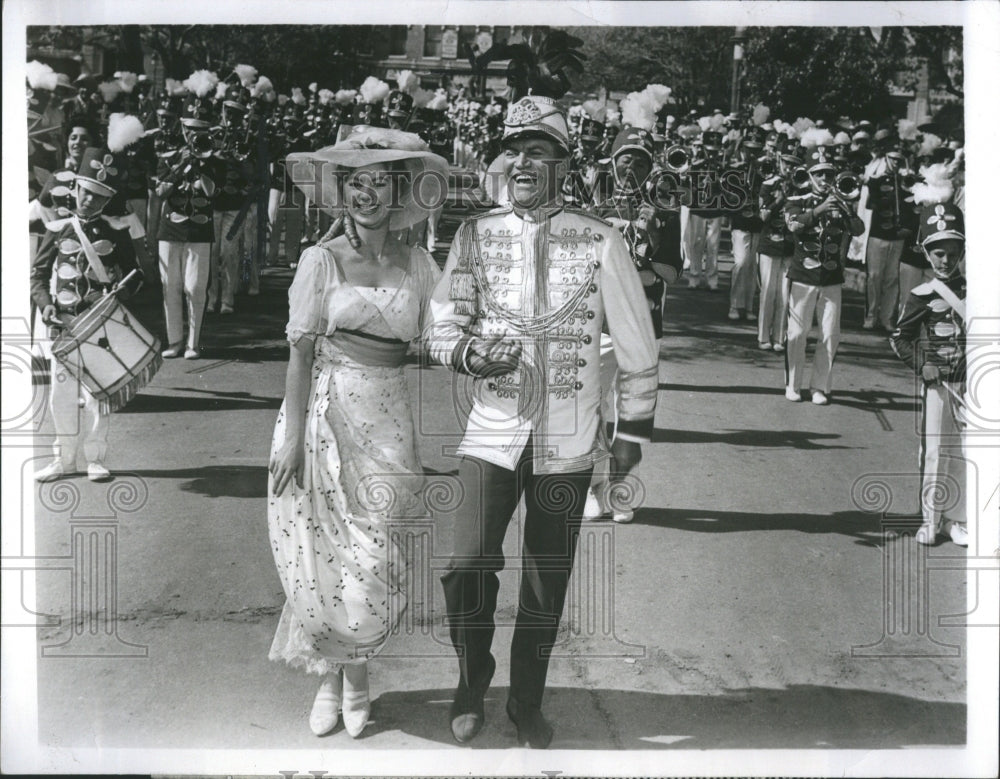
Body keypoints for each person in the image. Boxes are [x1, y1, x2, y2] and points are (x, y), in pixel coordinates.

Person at [424, 95, 659, 748]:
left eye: (538, 151)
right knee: (465, 563)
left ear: (563, 165)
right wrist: (468, 351)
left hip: (570, 439)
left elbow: (638, 347)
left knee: (544, 581)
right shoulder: (476, 236)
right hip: (492, 431)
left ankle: (527, 699)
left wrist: (633, 431)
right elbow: (441, 324)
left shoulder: (601, 240)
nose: (523, 161)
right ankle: (473, 680)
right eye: (515, 149)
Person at [267, 126, 448, 738]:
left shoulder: (420, 264)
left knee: (376, 550)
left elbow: (440, 337)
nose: (367, 194)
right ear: (343, 191)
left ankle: (357, 668)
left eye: (379, 182)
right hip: (324, 414)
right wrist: (292, 436)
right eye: (356, 183)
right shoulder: (320, 261)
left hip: (390, 418)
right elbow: (300, 352)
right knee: (322, 551)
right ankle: (336, 675)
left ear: (398, 190)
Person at [31, 144, 144, 482]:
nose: (89, 200)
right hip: (64, 324)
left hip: (100, 325)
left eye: (98, 196)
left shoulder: (116, 232)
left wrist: (121, 293)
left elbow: (136, 273)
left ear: (107, 201)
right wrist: (45, 304)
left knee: (97, 395)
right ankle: (64, 460)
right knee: (60, 395)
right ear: (76, 189)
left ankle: (95, 457)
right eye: (85, 192)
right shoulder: (60, 229)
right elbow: (37, 274)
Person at [586, 124, 681, 522]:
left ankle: (622, 490)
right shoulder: (593, 203)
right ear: (613, 160)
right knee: (590, 407)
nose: (632, 167)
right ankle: (593, 489)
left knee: (633, 414)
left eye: (641, 160)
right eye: (626, 158)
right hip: (599, 324)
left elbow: (672, 275)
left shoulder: (664, 208)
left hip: (644, 326)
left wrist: (653, 234)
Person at [889, 202, 968, 547]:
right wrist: (923, 364)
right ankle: (930, 519)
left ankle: (957, 519)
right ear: (926, 253)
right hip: (938, 386)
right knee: (934, 451)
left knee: (966, 452)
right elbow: (899, 338)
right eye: (938, 253)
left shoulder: (978, 291)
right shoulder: (922, 295)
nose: (946, 261)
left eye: (952, 253)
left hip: (973, 383)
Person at [782, 144, 865, 405]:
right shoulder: (796, 200)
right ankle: (793, 384)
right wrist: (818, 210)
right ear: (808, 175)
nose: (824, 180)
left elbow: (859, 229)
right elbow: (793, 225)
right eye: (819, 174)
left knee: (830, 333)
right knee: (797, 332)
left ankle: (819, 386)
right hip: (802, 277)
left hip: (831, 279)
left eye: (828, 175)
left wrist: (848, 209)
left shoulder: (841, 203)